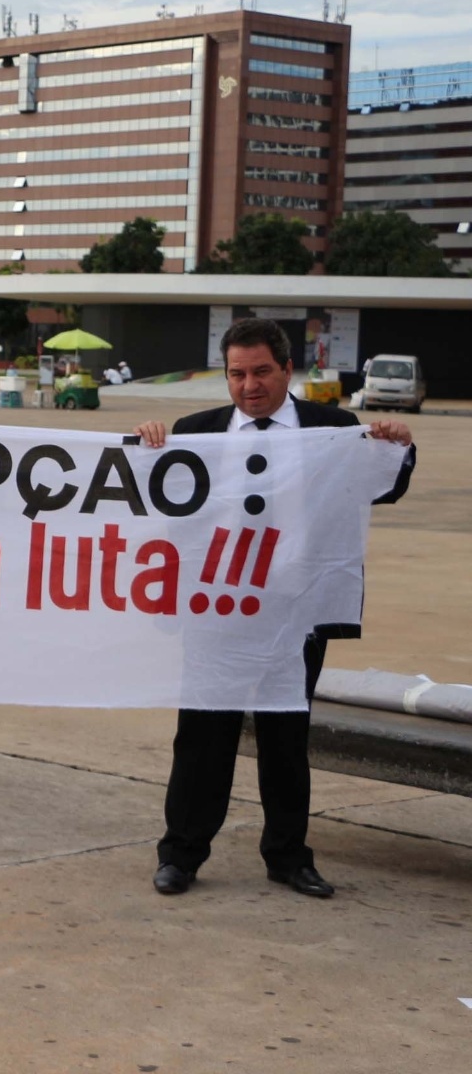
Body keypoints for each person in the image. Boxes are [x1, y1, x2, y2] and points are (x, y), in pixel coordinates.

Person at [132, 317, 414, 900]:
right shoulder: (196, 432)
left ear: (289, 370)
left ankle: (287, 856)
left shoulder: (333, 428)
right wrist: (149, 446)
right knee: (203, 738)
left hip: (296, 613)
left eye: (261, 371)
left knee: (286, 738)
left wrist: (396, 446)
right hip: (217, 608)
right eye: (237, 374)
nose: (249, 385)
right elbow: (160, 504)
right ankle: (181, 854)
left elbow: (383, 486)